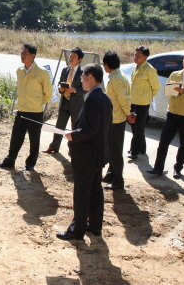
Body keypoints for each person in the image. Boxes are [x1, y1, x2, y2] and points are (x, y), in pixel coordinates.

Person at [57, 64, 112, 241]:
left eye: (82, 77)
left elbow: (90, 129)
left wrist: (72, 136)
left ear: (90, 78)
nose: (81, 80)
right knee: (95, 191)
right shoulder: (104, 98)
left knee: (82, 194)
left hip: (88, 156)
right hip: (98, 155)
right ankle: (94, 225)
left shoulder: (93, 99)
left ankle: (77, 230)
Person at [147, 51, 184, 178]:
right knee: (163, 142)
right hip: (172, 113)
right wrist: (170, 90)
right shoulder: (175, 74)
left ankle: (178, 169)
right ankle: (158, 168)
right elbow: (166, 91)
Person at [0, 43, 52, 171]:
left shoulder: (42, 72)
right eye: (21, 53)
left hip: (35, 111)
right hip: (21, 110)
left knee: (34, 139)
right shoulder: (20, 70)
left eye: (25, 53)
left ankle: (30, 164)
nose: (22, 55)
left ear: (33, 55)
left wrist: (38, 104)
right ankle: (10, 160)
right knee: (16, 137)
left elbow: (48, 93)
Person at [42, 47, 86, 154]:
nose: (71, 58)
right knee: (59, 126)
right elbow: (60, 83)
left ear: (79, 59)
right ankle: (54, 146)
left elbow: (85, 88)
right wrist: (61, 89)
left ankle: (72, 147)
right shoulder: (65, 70)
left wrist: (74, 90)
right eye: (70, 56)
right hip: (64, 102)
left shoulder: (83, 72)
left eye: (73, 57)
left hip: (76, 104)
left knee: (74, 127)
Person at [102, 51, 131, 190]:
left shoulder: (116, 79)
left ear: (107, 65)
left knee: (115, 151)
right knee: (113, 149)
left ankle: (118, 180)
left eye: (103, 64)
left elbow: (123, 99)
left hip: (116, 119)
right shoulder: (118, 75)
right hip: (116, 118)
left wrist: (128, 113)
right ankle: (111, 174)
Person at [129, 46, 160, 160]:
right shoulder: (135, 67)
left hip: (143, 103)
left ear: (145, 57)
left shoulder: (150, 70)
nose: (135, 57)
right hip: (133, 101)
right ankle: (141, 147)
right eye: (135, 55)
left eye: (139, 56)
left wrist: (148, 97)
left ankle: (134, 151)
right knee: (133, 124)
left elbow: (156, 87)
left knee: (139, 127)